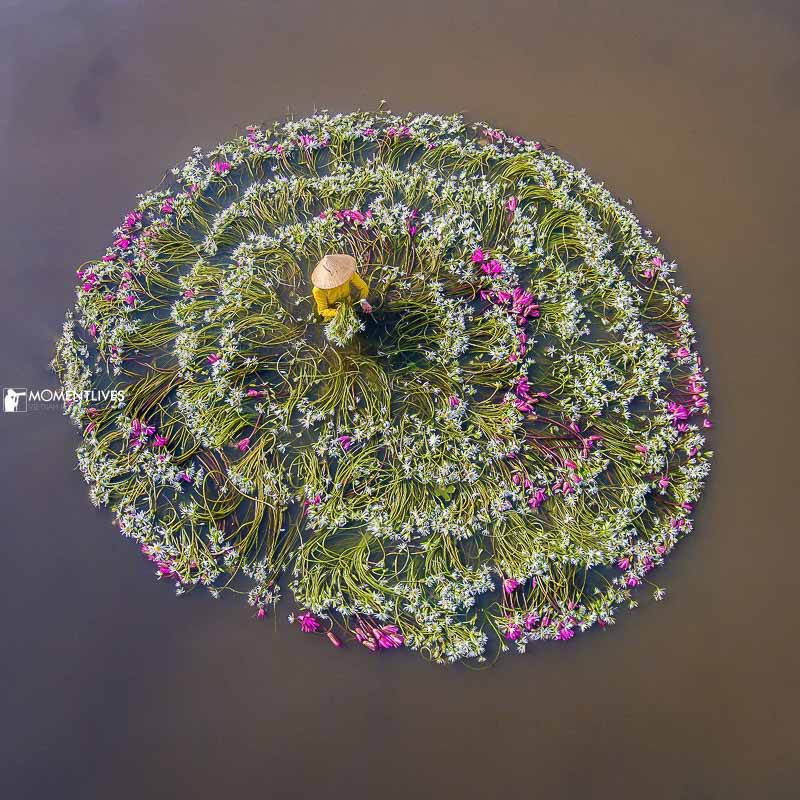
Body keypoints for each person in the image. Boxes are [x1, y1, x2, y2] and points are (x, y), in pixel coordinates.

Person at [311, 254, 372, 319]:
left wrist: (363, 301)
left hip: (348, 303)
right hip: (333, 312)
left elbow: (363, 287)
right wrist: (338, 312)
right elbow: (322, 311)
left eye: (337, 273)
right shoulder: (318, 290)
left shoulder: (346, 274)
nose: (338, 280)